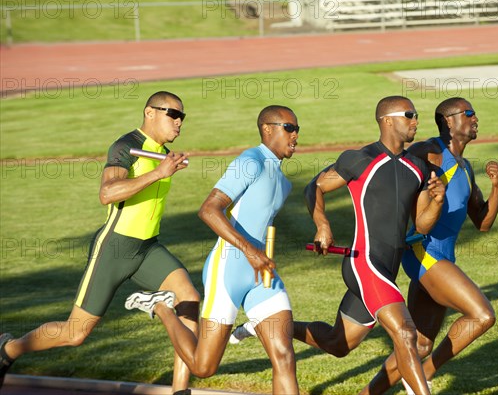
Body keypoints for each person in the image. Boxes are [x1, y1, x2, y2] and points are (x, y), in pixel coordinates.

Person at [233, 96, 445, 394]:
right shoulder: (360, 158)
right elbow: (315, 187)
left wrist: (437, 200)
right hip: (364, 263)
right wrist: (323, 225)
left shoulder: (419, 167)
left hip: (389, 267)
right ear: (387, 120)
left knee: (338, 343)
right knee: (406, 334)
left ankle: (265, 324)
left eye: (415, 115)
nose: (415, 121)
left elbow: (422, 225)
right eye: (409, 115)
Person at [0, 91, 200, 395]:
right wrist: (159, 173)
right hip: (116, 248)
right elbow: (107, 193)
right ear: (150, 112)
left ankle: (180, 391)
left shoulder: (161, 152)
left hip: (147, 249)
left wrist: (164, 167)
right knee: (75, 333)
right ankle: (8, 349)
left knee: (189, 299)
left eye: (182, 116)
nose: (179, 122)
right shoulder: (127, 147)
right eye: (173, 114)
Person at [125, 105, 300, 394]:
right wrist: (249, 251)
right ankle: (161, 307)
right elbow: (209, 210)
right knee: (203, 368)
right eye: (289, 128)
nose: (296, 136)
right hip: (228, 269)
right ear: (268, 129)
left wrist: (260, 256)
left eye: (297, 130)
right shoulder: (250, 161)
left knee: (284, 355)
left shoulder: (283, 182)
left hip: (262, 275)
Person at [361, 97, 498, 395]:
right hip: (424, 253)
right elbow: (396, 170)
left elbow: (484, 223)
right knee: (482, 315)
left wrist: (497, 186)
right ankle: (424, 374)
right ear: (448, 121)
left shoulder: (464, 169)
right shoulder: (430, 151)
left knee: (421, 343)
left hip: (441, 257)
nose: (475, 118)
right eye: (469, 113)